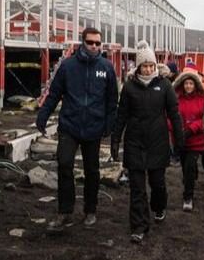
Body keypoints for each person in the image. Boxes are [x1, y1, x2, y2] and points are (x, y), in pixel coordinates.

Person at [35, 27, 118, 232]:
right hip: (70, 126)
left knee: (92, 170)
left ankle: (90, 210)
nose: (94, 46)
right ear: (83, 42)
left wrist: (109, 125)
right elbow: (54, 94)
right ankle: (65, 211)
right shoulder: (67, 67)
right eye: (90, 42)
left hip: (94, 128)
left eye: (98, 43)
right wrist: (43, 116)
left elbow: (112, 100)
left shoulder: (107, 68)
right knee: (64, 165)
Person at [111, 40, 184, 244]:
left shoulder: (164, 85)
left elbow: (174, 113)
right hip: (134, 142)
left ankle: (159, 207)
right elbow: (122, 115)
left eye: (151, 65)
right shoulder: (129, 87)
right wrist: (116, 140)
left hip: (157, 142)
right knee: (137, 189)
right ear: (139, 66)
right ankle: (139, 226)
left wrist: (179, 139)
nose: (149, 68)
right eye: (145, 65)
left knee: (157, 184)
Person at [173, 69, 204, 212]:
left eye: (191, 83)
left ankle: (188, 197)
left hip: (196, 140)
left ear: (196, 85)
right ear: (182, 84)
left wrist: (191, 128)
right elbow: (170, 116)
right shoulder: (176, 99)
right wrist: (177, 129)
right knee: (185, 167)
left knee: (189, 166)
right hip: (181, 140)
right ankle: (191, 178)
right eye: (186, 83)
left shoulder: (202, 99)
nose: (188, 86)